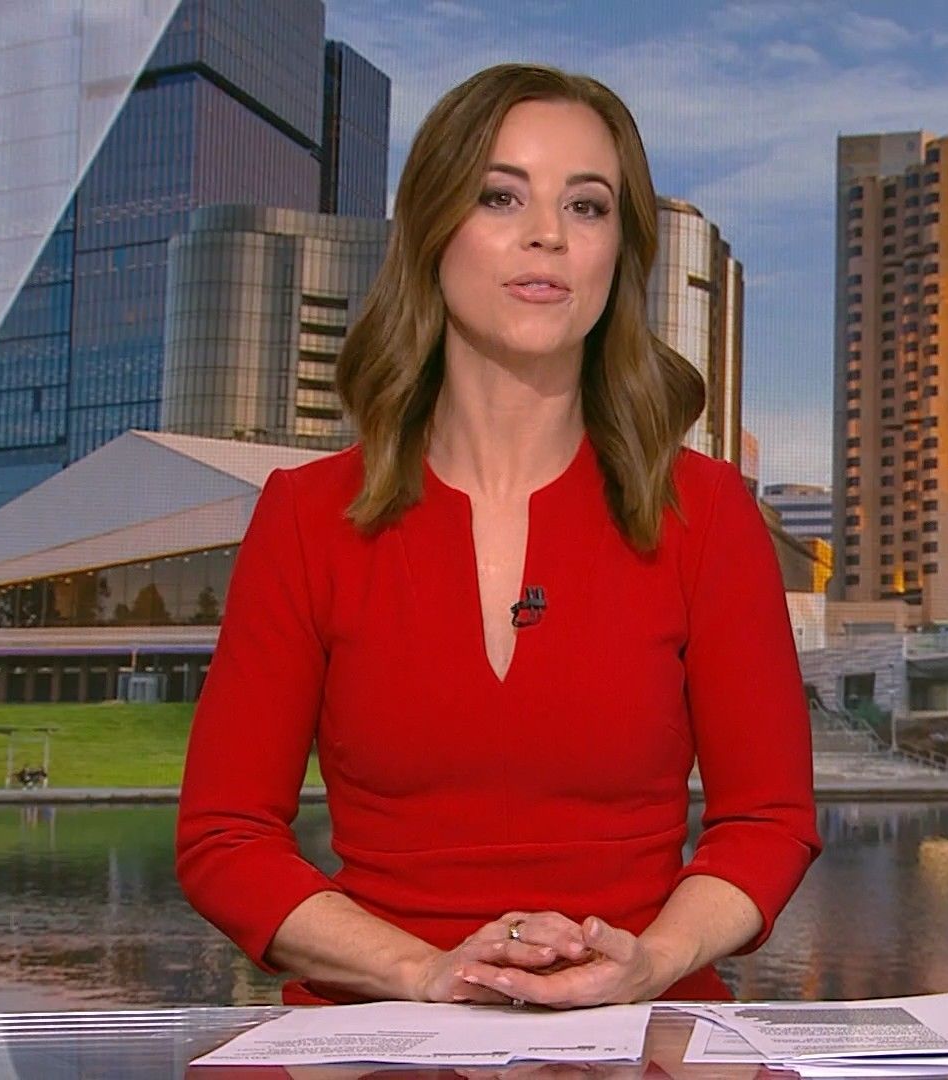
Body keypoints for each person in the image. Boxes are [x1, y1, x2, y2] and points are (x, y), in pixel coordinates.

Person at [176, 62, 819, 1009]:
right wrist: (426, 971)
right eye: (500, 196)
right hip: (380, 1035)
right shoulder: (307, 515)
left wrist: (648, 961)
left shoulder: (707, 510)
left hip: (642, 1031)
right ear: (434, 230)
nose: (548, 233)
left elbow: (767, 821)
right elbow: (225, 838)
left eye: (587, 207)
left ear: (618, 256)